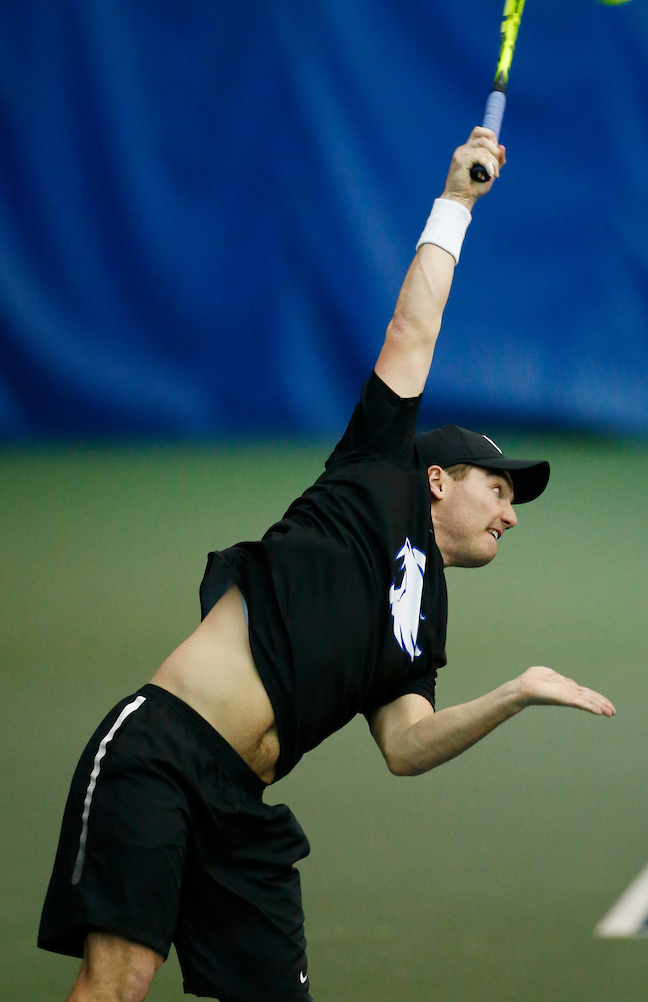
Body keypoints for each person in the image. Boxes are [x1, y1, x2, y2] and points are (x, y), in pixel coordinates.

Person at [39, 127, 615, 1002]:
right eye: (499, 489)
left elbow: (406, 746)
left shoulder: (425, 615)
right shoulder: (375, 471)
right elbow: (412, 330)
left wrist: (515, 692)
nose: (509, 512)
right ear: (436, 478)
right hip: (161, 752)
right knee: (118, 981)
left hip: (239, 807)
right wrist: (455, 205)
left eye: (515, 502)